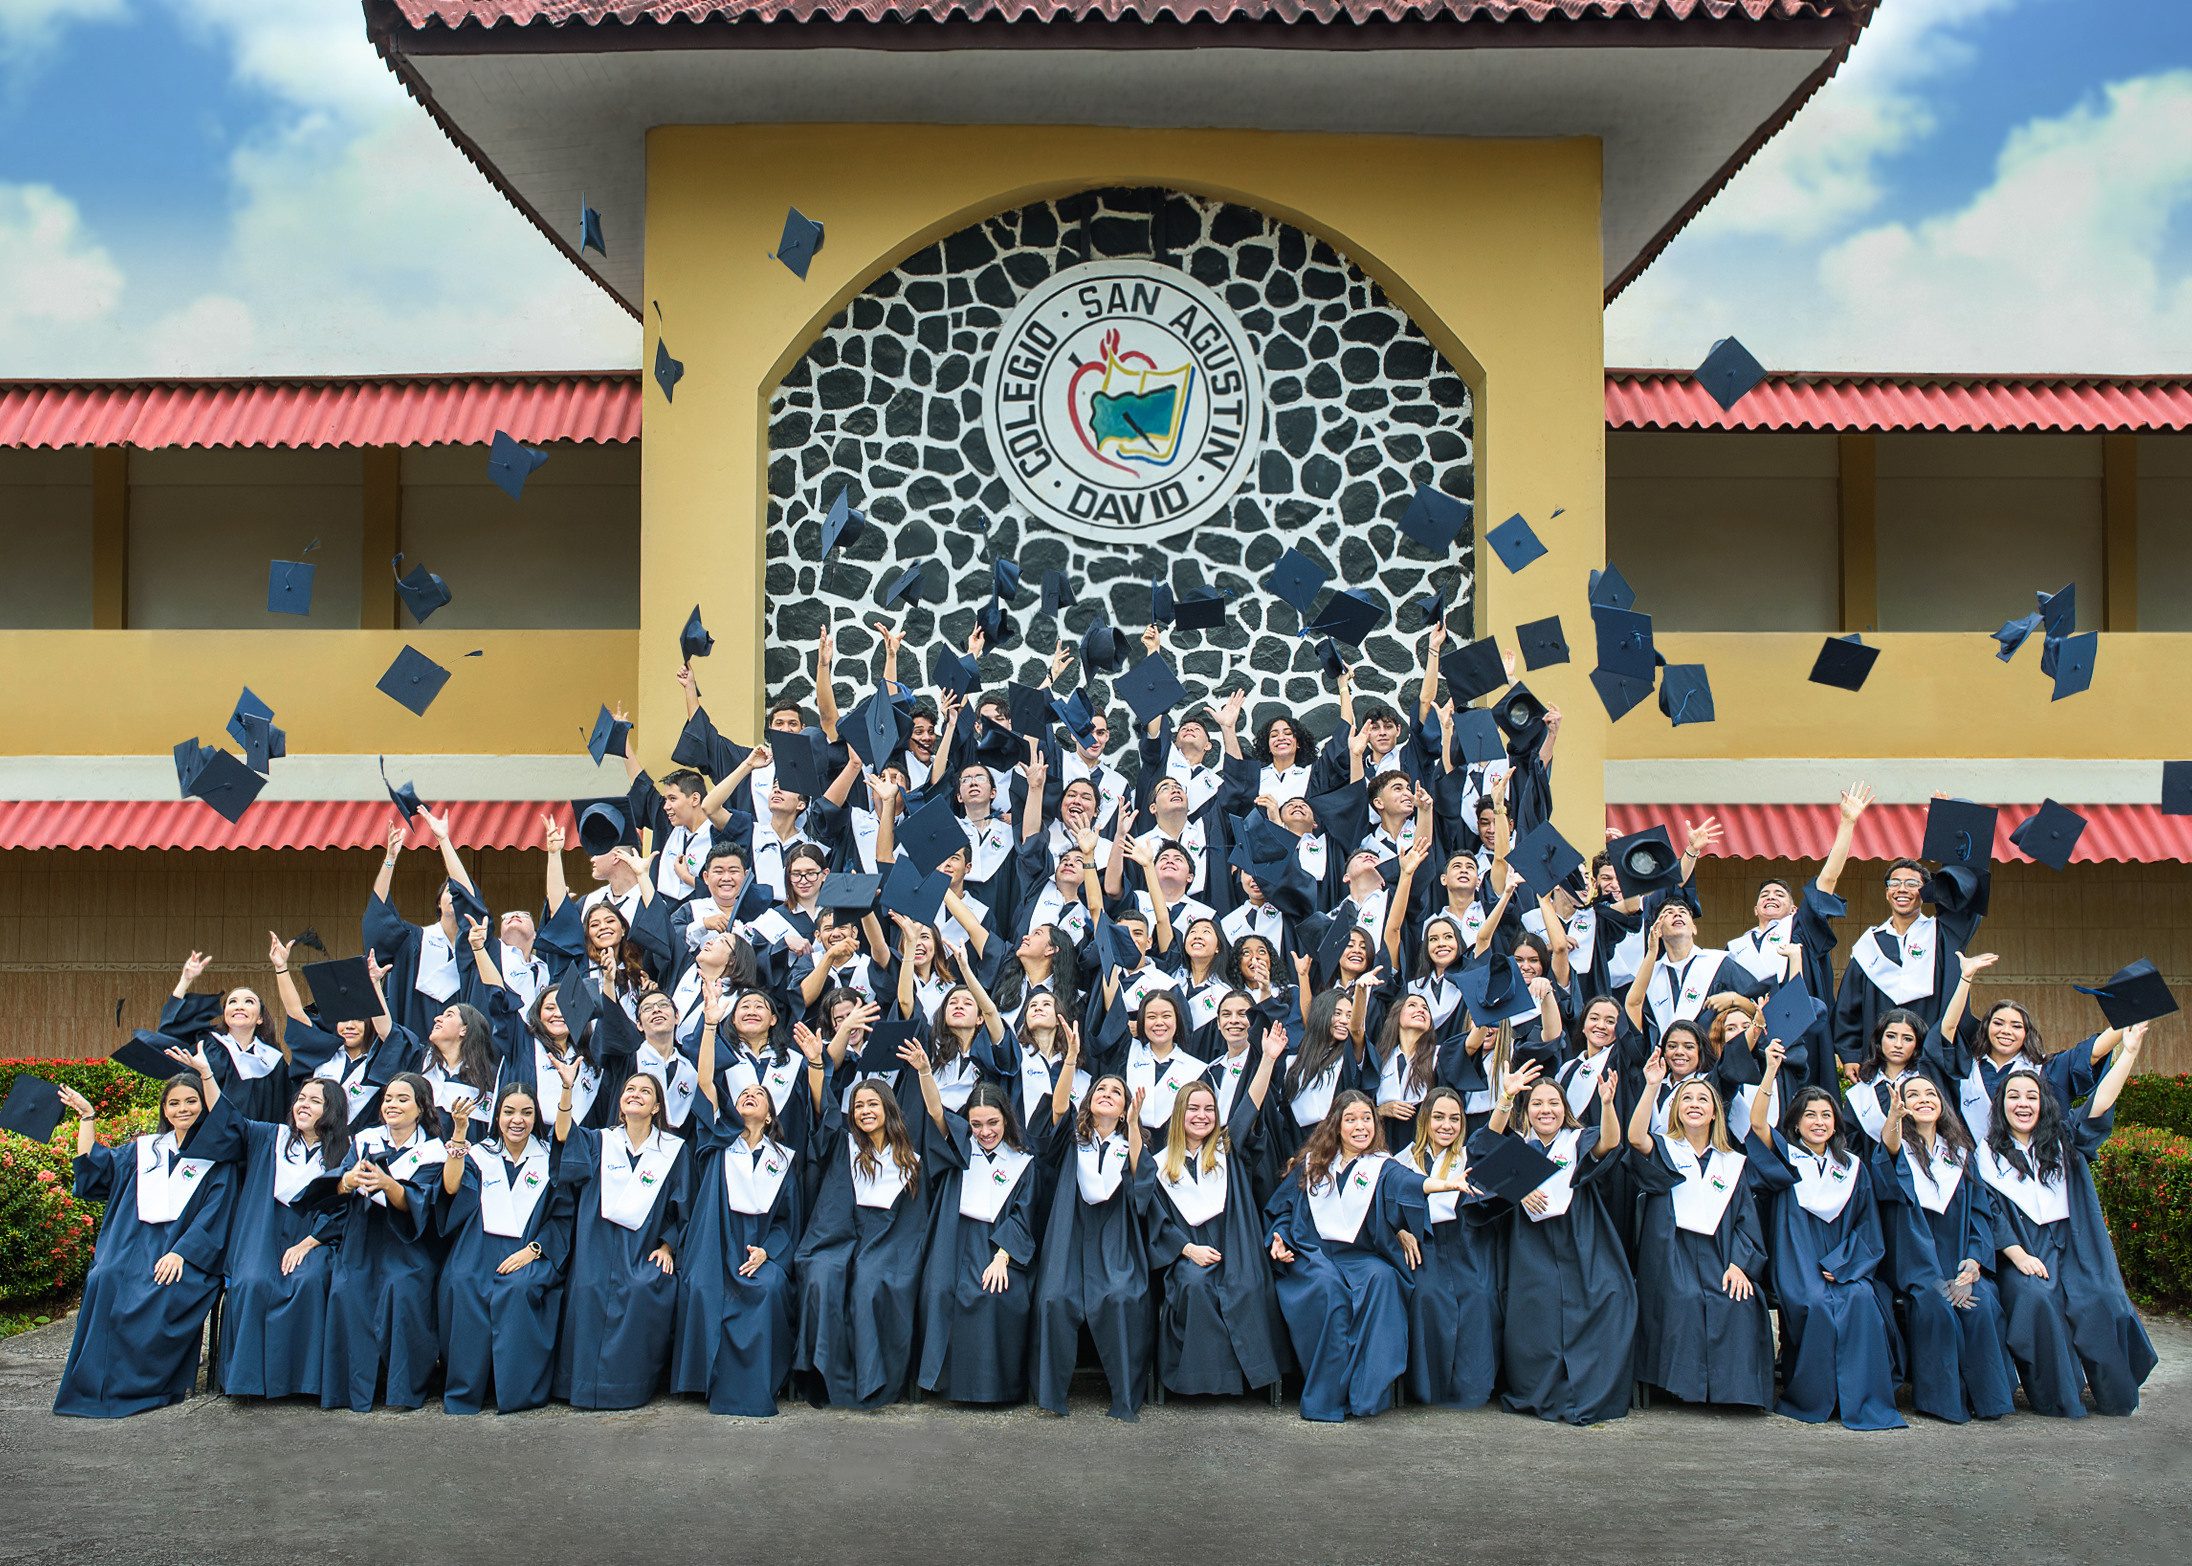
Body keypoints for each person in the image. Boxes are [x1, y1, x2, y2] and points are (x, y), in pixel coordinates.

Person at [1979, 1026, 2156, 1417]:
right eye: (2013, 1096)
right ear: (2000, 1104)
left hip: (2076, 1245)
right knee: (2036, 1299)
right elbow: (1989, 1213)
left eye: (2031, 1096)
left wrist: (2127, 1053)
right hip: (2024, 1249)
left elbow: (2099, 1104)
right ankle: (2057, 1397)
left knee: (2103, 1298)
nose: (2022, 1103)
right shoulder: (1985, 1156)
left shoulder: (2064, 1139)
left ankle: (2115, 1394)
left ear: (2043, 1103)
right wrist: (2018, 1255)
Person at [51, 1052, 237, 1417]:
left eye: (191, 1101)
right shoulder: (147, 1150)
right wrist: (87, 1117)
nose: (182, 1109)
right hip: (129, 1246)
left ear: (204, 1105)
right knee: (105, 1276)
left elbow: (216, 1217)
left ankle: (142, 1385)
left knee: (160, 1288)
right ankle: (93, 1385)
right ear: (165, 1110)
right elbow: (95, 1169)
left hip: (184, 1254)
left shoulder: (218, 1160)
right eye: (174, 1103)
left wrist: (182, 1252)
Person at [1265, 1090, 1456, 1422]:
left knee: (1383, 1279)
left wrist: (1441, 1185)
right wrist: (1278, 1238)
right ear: (1336, 1125)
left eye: (1367, 1118)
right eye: (1351, 1119)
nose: (1360, 1126)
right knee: (1329, 1290)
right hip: (1314, 1256)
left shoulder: (1381, 1166)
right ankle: (1328, 1397)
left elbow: (1407, 1183)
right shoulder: (1312, 1165)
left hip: (1359, 1256)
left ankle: (1364, 1392)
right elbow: (1283, 1210)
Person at [1745, 1043, 1903, 1430]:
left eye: (1826, 1115)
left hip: (1844, 1263)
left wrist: (1846, 1265)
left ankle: (1859, 1400)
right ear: (1796, 1123)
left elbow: (1867, 1227)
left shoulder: (1853, 1168)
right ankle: (1815, 1397)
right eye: (1810, 1115)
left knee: (1862, 1299)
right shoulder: (1786, 1158)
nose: (1819, 1122)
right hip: (1798, 1263)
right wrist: (1770, 1072)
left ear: (1836, 1123)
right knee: (1815, 1304)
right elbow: (1759, 1125)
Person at [1468, 1066, 1637, 1425]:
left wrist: (1607, 1104)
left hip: (1580, 1238)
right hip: (1531, 1245)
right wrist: (1506, 1097)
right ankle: (1539, 1392)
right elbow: (1482, 1146)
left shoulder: (1577, 1141)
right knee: (1536, 1314)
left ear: (1565, 1108)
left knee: (1607, 1298)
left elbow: (1609, 1143)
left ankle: (1585, 1392)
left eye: (1554, 1103)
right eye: (1537, 1103)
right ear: (1526, 1110)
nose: (1546, 1110)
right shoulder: (1519, 1146)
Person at [674, 991, 804, 1417]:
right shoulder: (718, 1140)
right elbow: (706, 1083)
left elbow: (786, 1222)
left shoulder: (783, 1161)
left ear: (770, 1115)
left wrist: (769, 1252)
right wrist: (711, 1024)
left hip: (758, 1251)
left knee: (768, 1288)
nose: (749, 1094)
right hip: (717, 1249)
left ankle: (758, 1385)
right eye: (743, 1092)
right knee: (703, 1288)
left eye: (758, 1094)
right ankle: (709, 1382)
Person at [1145, 1029, 1289, 1401]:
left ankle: (1248, 1379)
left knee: (1246, 1287)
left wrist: (1268, 1059)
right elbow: (1157, 1222)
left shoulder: (1228, 1151)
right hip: (1189, 1255)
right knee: (1195, 1286)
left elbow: (1250, 1106)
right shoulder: (1159, 1166)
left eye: (1209, 1109)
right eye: (1193, 1109)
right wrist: (1186, 1250)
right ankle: (1206, 1380)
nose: (1202, 1116)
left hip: (1236, 1251)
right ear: (1179, 1114)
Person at [188, 1069, 349, 1400]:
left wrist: (310, 1243)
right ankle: (248, 1382)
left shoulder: (346, 1150)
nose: (303, 1105)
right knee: (253, 1281)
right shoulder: (270, 1137)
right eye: (301, 1098)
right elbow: (229, 1118)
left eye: (314, 1101)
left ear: (331, 1110)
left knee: (310, 1280)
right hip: (262, 1233)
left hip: (316, 1237)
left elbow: (347, 1209)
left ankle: (302, 1382)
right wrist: (206, 1075)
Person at [1624, 1062, 1773, 1411]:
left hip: (1721, 1258)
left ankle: (1732, 1391)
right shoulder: (1664, 1150)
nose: (1694, 1103)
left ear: (1714, 1113)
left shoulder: (1732, 1163)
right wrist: (1652, 1086)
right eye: (1686, 1098)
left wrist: (1739, 1264)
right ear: (1676, 1110)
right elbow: (1635, 1137)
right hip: (1671, 1258)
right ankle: (1681, 1388)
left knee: (1739, 1302)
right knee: (1685, 1299)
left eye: (1703, 1099)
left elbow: (1745, 1221)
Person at [1870, 1074, 2016, 1423]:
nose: (1923, 1099)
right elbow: (1888, 1155)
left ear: (1942, 1104)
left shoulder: (1961, 1154)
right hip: (1915, 1263)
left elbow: (1980, 1214)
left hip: (1958, 1260)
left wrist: (1974, 1262)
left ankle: (1987, 1399)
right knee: (1938, 1304)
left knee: (1981, 1303)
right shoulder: (1899, 1150)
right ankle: (1944, 1401)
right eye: (1913, 1095)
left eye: (1930, 1093)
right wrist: (1893, 1118)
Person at [793, 1063, 935, 1409]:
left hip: (889, 1243)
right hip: (838, 1237)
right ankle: (824, 1378)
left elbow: (913, 1227)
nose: (865, 1111)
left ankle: (870, 1383)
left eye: (873, 1104)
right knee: (822, 1276)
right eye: (858, 1105)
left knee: (869, 1283)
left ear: (889, 1109)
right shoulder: (844, 1147)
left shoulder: (911, 1161)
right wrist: (815, 1063)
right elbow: (823, 1109)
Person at [552, 1059, 691, 1409]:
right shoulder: (600, 1141)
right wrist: (567, 1088)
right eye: (630, 1089)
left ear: (657, 1107)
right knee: (588, 1290)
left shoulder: (673, 1151)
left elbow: (684, 1206)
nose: (635, 1094)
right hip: (596, 1246)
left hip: (642, 1249)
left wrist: (668, 1245)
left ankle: (628, 1387)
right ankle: (581, 1386)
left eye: (645, 1091)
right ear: (620, 1101)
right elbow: (564, 1136)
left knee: (644, 1289)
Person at [436, 1083, 572, 1414]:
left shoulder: (550, 1159)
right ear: (497, 1116)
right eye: (509, 1112)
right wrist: (459, 1134)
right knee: (462, 1281)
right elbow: (451, 1188)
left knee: (517, 1289)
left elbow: (563, 1217)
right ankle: (468, 1389)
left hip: (529, 1251)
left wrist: (534, 1250)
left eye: (527, 1113)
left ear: (536, 1117)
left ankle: (515, 1391)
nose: (517, 1120)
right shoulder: (480, 1155)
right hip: (478, 1247)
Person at [321, 1070, 448, 1412]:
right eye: (388, 1098)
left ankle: (403, 1389)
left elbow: (418, 1204)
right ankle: (351, 1390)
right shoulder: (365, 1140)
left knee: (403, 1289)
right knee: (347, 1290)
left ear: (421, 1108)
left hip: (408, 1244)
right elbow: (338, 1185)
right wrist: (349, 1179)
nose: (392, 1104)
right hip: (363, 1238)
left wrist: (387, 1183)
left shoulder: (433, 1151)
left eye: (403, 1099)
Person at [913, 1079, 1041, 1405]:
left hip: (999, 1246)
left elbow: (1023, 1216)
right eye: (976, 1124)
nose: (985, 1132)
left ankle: (992, 1390)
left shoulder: (1022, 1162)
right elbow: (936, 1112)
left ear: (1006, 1119)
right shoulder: (960, 1149)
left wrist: (1001, 1257)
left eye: (993, 1122)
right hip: (954, 1241)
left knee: (994, 1295)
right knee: (939, 1291)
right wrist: (925, 1072)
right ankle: (945, 1386)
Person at [1033, 1073, 1153, 1420]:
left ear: (1125, 1108)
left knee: (1121, 1298)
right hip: (1069, 1242)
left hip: (1116, 1245)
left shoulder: (1131, 1143)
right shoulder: (1071, 1141)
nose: (1107, 1093)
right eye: (1100, 1088)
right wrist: (1071, 1058)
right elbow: (1058, 1108)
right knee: (1054, 1299)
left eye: (1116, 1092)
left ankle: (1124, 1400)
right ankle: (1052, 1397)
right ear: (1088, 1101)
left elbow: (1141, 1183)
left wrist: (1133, 1126)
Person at [1397, 1086, 1502, 1410]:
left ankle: (1472, 1390)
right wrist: (1400, 1231)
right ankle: (1430, 1389)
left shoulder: (1469, 1157)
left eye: (1455, 1119)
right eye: (1439, 1117)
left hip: (1465, 1243)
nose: (1447, 1125)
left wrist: (1506, 1099)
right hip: (1424, 1246)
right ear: (1424, 1120)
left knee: (1479, 1296)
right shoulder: (1402, 1160)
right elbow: (1386, 1209)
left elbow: (1493, 1134)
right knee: (1426, 1296)